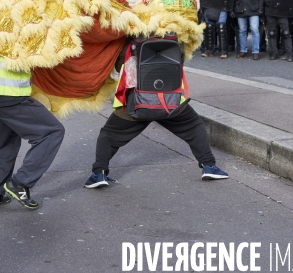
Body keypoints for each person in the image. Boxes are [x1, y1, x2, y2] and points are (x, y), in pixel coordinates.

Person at [84, 38, 228, 189]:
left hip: (137, 103)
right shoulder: (173, 38)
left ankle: (98, 173)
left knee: (109, 133)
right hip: (169, 102)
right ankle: (209, 166)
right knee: (193, 126)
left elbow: (118, 67)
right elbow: (179, 61)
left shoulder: (125, 41)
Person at [0, 57, 65, 209]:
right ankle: (20, 183)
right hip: (9, 93)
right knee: (52, 132)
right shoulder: (16, 31)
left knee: (5, 144)